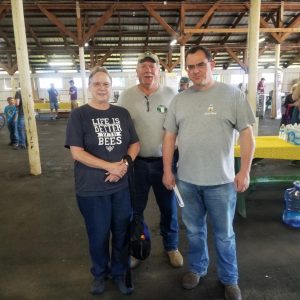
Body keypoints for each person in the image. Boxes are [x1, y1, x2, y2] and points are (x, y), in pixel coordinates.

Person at [162, 45, 255, 300]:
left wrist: (244, 171)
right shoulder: (179, 100)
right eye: (190, 66)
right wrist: (167, 170)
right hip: (188, 181)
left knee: (224, 235)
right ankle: (198, 268)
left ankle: (229, 278)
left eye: (200, 64)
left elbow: (247, 135)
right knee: (194, 230)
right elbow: (169, 137)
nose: (195, 71)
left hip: (222, 182)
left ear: (211, 65)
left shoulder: (232, 95)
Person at [65, 67, 140, 296]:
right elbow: (77, 152)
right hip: (92, 189)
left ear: (111, 87)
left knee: (121, 233)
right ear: (89, 87)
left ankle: (119, 273)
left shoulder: (122, 113)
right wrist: (110, 167)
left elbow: (134, 144)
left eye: (105, 84)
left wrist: (124, 165)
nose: (101, 88)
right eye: (97, 84)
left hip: (121, 187)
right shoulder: (79, 115)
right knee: (98, 235)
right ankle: (99, 273)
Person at [118, 51, 183, 269]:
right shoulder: (125, 97)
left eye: (152, 66)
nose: (148, 70)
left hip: (165, 163)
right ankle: (138, 247)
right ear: (137, 72)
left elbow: (180, 127)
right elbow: (121, 131)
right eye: (143, 66)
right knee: (135, 209)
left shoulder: (172, 94)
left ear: (159, 71)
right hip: (136, 163)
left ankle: (171, 247)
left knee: (169, 208)